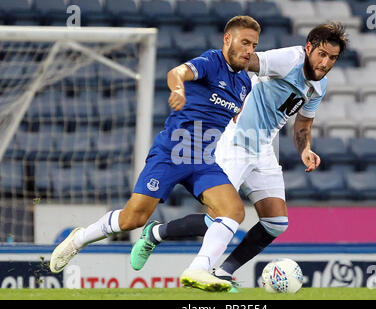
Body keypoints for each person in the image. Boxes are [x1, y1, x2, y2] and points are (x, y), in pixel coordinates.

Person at [50, 15, 261, 292]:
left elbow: (230, 115)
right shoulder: (211, 62)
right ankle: (80, 239)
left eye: (254, 45)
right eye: (245, 42)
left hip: (203, 161)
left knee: (233, 211)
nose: (249, 50)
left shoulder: (244, 83)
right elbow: (177, 72)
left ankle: (199, 270)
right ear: (227, 39)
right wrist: (178, 89)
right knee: (132, 219)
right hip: (171, 153)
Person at [131, 22, 349, 290]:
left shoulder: (319, 85)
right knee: (221, 216)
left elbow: (303, 125)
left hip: (263, 148)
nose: (326, 62)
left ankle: (223, 271)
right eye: (322, 54)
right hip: (234, 141)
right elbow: (245, 61)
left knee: (276, 223)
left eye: (332, 58)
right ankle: (164, 240)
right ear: (309, 48)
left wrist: (305, 150)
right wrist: (234, 99)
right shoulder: (289, 59)